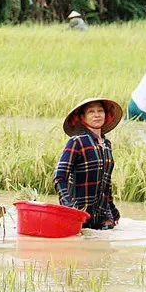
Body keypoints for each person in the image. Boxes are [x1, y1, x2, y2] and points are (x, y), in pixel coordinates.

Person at [53, 97, 122, 231]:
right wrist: (70, 207)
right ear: (82, 118)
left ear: (106, 115)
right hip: (79, 216)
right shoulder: (77, 142)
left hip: (101, 217)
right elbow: (59, 177)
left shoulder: (107, 145)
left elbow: (106, 183)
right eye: (91, 111)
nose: (97, 115)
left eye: (100, 111)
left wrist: (113, 211)